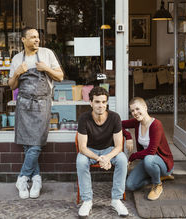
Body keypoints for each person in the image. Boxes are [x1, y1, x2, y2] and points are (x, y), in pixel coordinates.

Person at [8, 27, 63, 199]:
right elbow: (11, 85)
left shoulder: (47, 54)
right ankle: (37, 179)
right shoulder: (17, 59)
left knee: (36, 144)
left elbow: (60, 76)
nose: (37, 40)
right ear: (23, 40)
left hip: (42, 103)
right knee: (27, 144)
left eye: (38, 37)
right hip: (24, 104)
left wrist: (46, 68)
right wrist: (17, 73)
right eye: (32, 37)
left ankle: (22, 177)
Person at [76, 86, 129, 218]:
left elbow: (119, 146)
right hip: (90, 151)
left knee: (122, 159)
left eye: (104, 102)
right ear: (91, 103)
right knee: (81, 160)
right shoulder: (84, 118)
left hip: (109, 150)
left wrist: (107, 157)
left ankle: (116, 200)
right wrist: (99, 159)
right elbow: (82, 147)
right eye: (97, 102)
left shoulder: (115, 117)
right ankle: (87, 201)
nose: (101, 105)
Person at [122, 97, 174, 201]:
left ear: (145, 107)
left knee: (149, 158)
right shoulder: (137, 122)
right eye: (132, 110)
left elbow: (151, 151)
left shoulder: (156, 125)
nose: (135, 113)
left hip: (162, 163)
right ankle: (157, 177)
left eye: (137, 109)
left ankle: (157, 184)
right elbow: (118, 124)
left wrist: (132, 157)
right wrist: (128, 136)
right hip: (148, 162)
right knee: (130, 185)